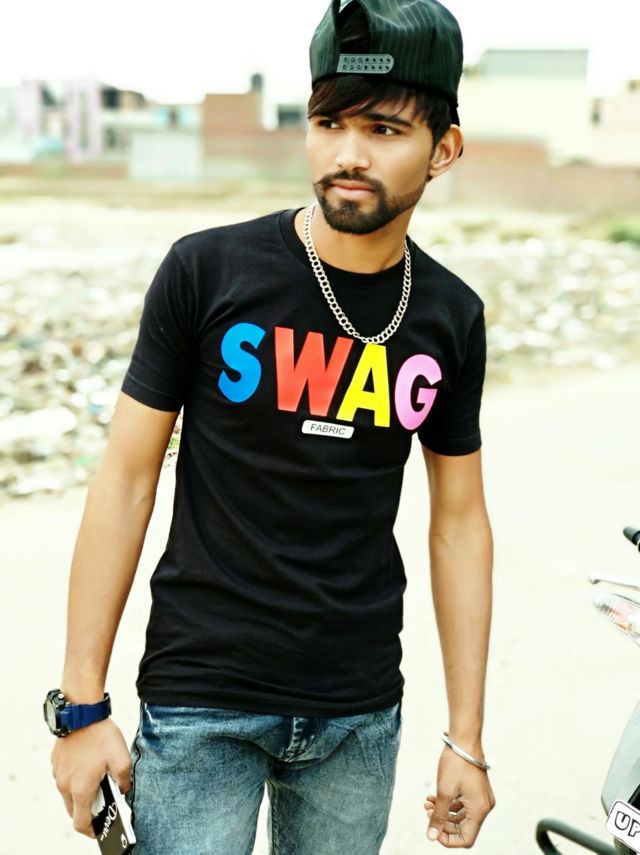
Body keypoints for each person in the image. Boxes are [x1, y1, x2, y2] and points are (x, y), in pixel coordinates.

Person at [46, 0, 496, 851]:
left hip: (358, 714)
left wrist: (465, 738)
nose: (349, 153)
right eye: (329, 123)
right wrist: (80, 706)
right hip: (202, 698)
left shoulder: (450, 315)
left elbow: (461, 522)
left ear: (444, 149)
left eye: (384, 129)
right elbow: (127, 479)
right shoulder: (207, 271)